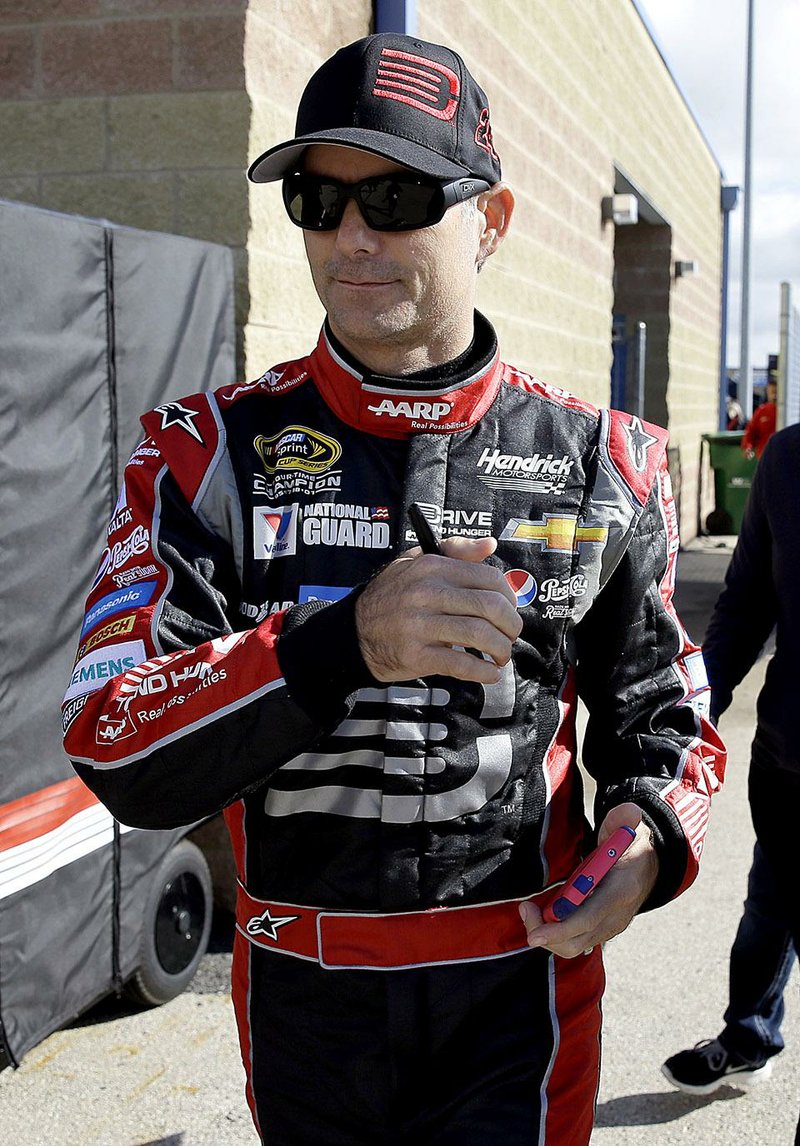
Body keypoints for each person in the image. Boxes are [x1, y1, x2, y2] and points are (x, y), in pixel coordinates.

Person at [62, 33, 725, 1146]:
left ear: (490, 221)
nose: (352, 235)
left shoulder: (607, 462)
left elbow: (667, 723)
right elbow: (109, 740)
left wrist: (647, 829)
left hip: (521, 1003)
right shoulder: (201, 453)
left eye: (398, 195)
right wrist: (338, 645)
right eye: (318, 201)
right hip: (304, 1006)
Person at [662, 422, 800, 1105]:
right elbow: (746, 603)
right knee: (768, 912)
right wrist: (693, 714)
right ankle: (748, 1037)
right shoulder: (789, 458)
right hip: (789, 766)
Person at [741, 378, 777, 457]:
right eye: (772, 392)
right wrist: (748, 447)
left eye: (777, 392)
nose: (775, 396)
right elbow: (751, 432)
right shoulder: (762, 411)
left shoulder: (790, 413)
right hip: (765, 458)